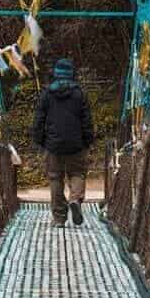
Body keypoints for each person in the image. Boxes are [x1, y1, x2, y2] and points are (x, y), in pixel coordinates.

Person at [33, 58, 94, 226]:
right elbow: (86, 120)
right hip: (76, 144)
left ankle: (59, 218)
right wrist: (88, 140)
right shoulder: (79, 94)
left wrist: (40, 141)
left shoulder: (47, 94)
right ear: (72, 74)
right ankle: (75, 199)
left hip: (53, 144)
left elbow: (39, 119)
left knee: (55, 178)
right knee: (78, 173)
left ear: (56, 74)